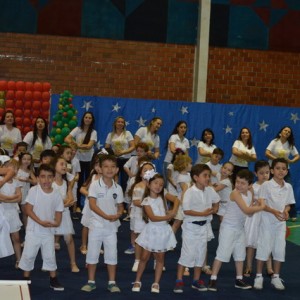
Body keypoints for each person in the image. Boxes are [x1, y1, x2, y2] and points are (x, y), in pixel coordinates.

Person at [208, 170, 265, 292]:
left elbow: (249, 209)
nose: (239, 185)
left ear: (249, 185)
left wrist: (255, 202)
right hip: (228, 227)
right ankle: (213, 279)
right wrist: (261, 206)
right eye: (237, 182)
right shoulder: (235, 193)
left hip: (240, 228)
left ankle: (239, 279)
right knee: (222, 253)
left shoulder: (250, 192)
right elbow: (247, 210)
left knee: (240, 255)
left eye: (243, 183)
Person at [173, 164, 220, 293]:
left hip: (204, 227)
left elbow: (217, 201)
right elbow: (187, 211)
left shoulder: (210, 190)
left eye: (209, 175)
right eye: (205, 175)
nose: (208, 178)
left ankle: (196, 280)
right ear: (195, 177)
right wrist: (203, 214)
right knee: (187, 254)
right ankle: (179, 280)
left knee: (200, 255)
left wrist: (215, 209)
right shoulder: (189, 191)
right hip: (191, 228)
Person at [81, 154, 124, 293]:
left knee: (112, 255)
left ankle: (112, 282)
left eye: (112, 167)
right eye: (106, 166)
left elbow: (121, 206)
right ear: (100, 168)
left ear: (117, 170)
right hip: (96, 226)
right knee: (92, 254)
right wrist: (106, 216)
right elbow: (92, 205)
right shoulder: (94, 185)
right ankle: (91, 281)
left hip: (111, 228)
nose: (109, 169)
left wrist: (118, 214)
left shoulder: (118, 188)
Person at [18, 164, 65, 291]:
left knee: (50, 255)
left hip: (48, 231)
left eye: (50, 177)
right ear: (38, 178)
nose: (46, 180)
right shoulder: (34, 191)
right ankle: (26, 278)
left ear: (54, 178)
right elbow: (28, 209)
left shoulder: (56, 194)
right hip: (33, 230)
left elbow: (59, 211)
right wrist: (40, 222)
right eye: (43, 177)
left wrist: (57, 222)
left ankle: (53, 279)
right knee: (29, 254)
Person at [132, 172, 178, 293]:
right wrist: (168, 217)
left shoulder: (163, 196)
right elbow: (152, 217)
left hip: (163, 231)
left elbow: (177, 199)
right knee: (144, 257)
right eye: (156, 183)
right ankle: (137, 280)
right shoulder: (146, 200)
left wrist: (173, 210)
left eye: (161, 184)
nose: (158, 186)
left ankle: (156, 283)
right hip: (151, 230)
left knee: (160, 258)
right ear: (148, 184)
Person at [254, 158, 295, 291]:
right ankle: (258, 276)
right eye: (278, 168)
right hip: (267, 223)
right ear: (272, 170)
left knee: (279, 249)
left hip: (280, 225)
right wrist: (273, 211)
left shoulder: (288, 187)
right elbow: (262, 204)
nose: (281, 171)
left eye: (284, 168)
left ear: (287, 171)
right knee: (263, 248)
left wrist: (286, 211)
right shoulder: (266, 185)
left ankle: (276, 277)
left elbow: (288, 204)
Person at [244, 160, 273, 277]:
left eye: (267, 172)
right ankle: (249, 266)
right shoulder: (253, 187)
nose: (265, 175)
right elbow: (249, 203)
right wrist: (255, 203)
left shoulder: (272, 186)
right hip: (255, 219)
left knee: (267, 242)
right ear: (255, 174)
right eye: (261, 173)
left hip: (267, 218)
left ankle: (269, 267)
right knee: (251, 244)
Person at [64, 112, 97, 211]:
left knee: (88, 182)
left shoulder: (93, 132)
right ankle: (77, 205)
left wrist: (76, 145)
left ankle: (88, 205)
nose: (87, 119)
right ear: (83, 119)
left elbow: (89, 146)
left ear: (92, 120)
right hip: (78, 160)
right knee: (78, 182)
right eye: (86, 117)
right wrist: (74, 143)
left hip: (89, 161)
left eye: (89, 118)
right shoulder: (77, 130)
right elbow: (67, 139)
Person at [265, 126, 299, 221]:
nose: (287, 132)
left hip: (284, 171)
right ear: (281, 132)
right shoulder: (274, 141)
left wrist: (291, 161)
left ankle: (292, 213)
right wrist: (277, 160)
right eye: (285, 130)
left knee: (289, 189)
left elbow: (297, 156)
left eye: (289, 131)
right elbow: (267, 153)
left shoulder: (290, 144)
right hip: (272, 169)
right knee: (267, 188)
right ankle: (267, 210)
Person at [52, 156, 79, 272]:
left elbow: (71, 198)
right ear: (54, 166)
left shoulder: (66, 182)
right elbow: (52, 200)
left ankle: (73, 263)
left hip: (65, 214)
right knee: (49, 239)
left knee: (69, 239)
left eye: (65, 165)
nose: (64, 167)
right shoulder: (50, 182)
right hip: (52, 215)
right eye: (61, 164)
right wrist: (63, 203)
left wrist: (66, 202)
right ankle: (49, 263)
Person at [129, 161, 156, 272]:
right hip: (140, 215)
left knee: (154, 238)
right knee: (139, 238)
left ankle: (156, 261)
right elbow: (135, 202)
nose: (148, 172)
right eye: (145, 170)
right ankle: (137, 261)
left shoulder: (156, 186)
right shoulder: (138, 186)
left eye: (150, 170)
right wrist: (148, 205)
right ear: (140, 173)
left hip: (153, 216)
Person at [0, 156, 22, 268]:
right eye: (11, 167)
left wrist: (9, 199)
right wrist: (11, 198)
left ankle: (19, 260)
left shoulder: (16, 182)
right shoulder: (0, 180)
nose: (14, 170)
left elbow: (19, 198)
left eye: (16, 168)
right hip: (2, 211)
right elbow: (1, 198)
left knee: (16, 238)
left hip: (12, 212)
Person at [79, 151, 103, 255]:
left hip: (101, 207)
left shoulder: (108, 179)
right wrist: (90, 195)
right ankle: (84, 245)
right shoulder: (93, 177)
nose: (99, 168)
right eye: (97, 165)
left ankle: (97, 245)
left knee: (99, 226)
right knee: (86, 225)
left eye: (102, 165)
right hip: (90, 206)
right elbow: (82, 188)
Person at [105, 116, 135, 192]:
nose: (120, 123)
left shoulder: (128, 133)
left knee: (125, 182)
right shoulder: (110, 134)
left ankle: (124, 201)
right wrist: (113, 153)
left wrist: (123, 152)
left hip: (126, 160)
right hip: (114, 160)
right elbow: (107, 148)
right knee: (114, 180)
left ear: (124, 124)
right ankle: (113, 198)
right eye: (118, 122)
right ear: (115, 123)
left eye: (122, 122)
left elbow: (133, 146)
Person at [16, 152, 37, 228]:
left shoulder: (30, 171)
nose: (26, 161)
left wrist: (28, 180)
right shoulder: (16, 169)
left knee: (25, 212)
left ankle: (26, 229)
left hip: (25, 193)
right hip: (15, 192)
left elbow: (35, 182)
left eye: (28, 159)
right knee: (14, 211)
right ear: (20, 160)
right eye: (24, 159)